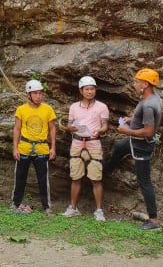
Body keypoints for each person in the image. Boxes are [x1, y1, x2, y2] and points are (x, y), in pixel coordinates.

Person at [103, 68, 163, 230]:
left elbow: (148, 131)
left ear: (145, 84)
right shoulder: (152, 98)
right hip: (133, 141)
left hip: (141, 146)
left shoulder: (149, 105)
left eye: (136, 82)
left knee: (144, 182)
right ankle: (106, 170)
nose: (134, 84)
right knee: (119, 146)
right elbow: (145, 121)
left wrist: (127, 130)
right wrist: (132, 119)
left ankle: (154, 220)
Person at [62, 76, 109, 221]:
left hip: (94, 142)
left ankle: (99, 210)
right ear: (81, 91)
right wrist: (71, 127)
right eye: (87, 89)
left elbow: (105, 126)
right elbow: (69, 126)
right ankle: (73, 207)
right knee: (76, 176)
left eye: (92, 89)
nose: (90, 92)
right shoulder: (74, 107)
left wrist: (99, 131)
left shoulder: (102, 107)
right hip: (77, 143)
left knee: (96, 178)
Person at [11, 79, 57, 216]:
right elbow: (17, 129)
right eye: (35, 93)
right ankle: (15, 203)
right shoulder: (21, 110)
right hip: (24, 147)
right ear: (28, 95)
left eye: (40, 93)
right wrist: (15, 148)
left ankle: (47, 206)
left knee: (43, 180)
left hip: (41, 148)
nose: (38, 96)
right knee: (20, 178)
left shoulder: (48, 109)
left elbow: (52, 129)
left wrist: (53, 147)